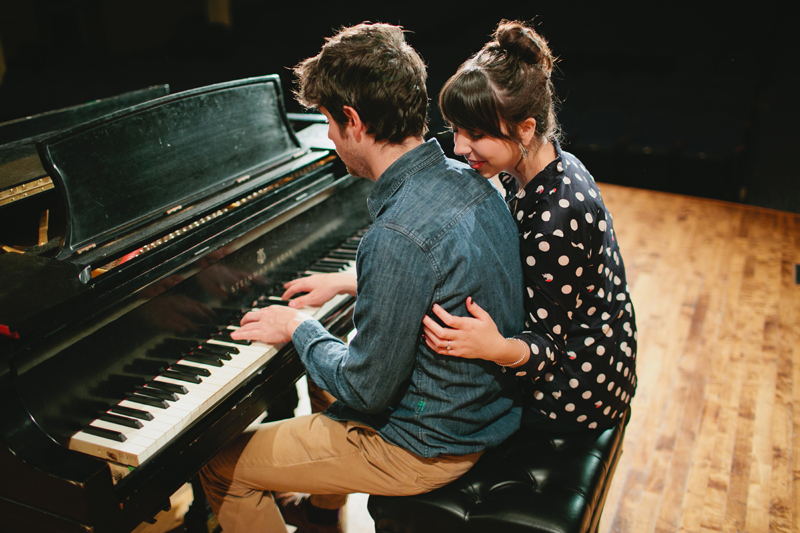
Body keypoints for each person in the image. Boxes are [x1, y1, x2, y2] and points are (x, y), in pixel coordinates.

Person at [199, 22, 525, 533]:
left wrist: (297, 327)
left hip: (426, 446)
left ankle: (309, 505)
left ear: (352, 119)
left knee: (220, 467)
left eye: (328, 122)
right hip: (482, 413)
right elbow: (427, 271)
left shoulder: (397, 233)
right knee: (328, 372)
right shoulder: (471, 179)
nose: (328, 137)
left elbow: (367, 389)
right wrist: (346, 283)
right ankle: (323, 516)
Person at [422, 20, 637, 432]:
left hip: (578, 389)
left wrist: (494, 347)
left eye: (477, 134)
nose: (460, 147)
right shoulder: (534, 164)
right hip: (593, 358)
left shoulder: (557, 215)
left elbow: (548, 347)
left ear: (526, 128)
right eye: (455, 130)